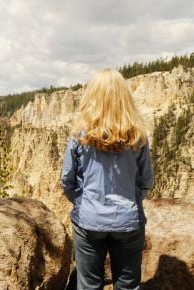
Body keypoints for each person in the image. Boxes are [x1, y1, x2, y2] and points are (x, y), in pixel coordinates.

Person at [61, 69, 154, 290]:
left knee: (89, 286)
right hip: (129, 221)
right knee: (128, 286)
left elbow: (67, 180)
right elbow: (146, 181)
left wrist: (83, 201)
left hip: (89, 220)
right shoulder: (139, 136)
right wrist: (130, 201)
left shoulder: (79, 135)